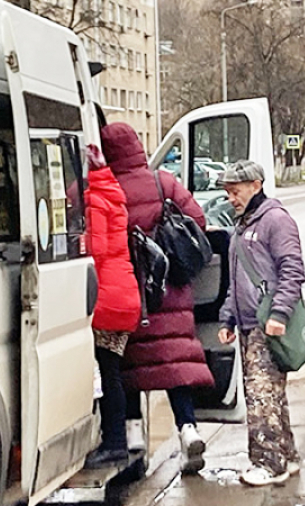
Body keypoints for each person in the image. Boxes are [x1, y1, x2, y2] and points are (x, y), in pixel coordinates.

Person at [100, 122, 214, 474]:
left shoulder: (108, 189)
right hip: (170, 291)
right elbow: (198, 218)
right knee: (173, 365)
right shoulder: (162, 181)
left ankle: (134, 440)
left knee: (130, 366)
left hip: (132, 293)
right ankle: (188, 429)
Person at [217, 160, 305, 487]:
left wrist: (280, 314)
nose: (231, 198)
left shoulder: (275, 221)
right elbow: (236, 282)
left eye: (235, 191)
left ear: (256, 184)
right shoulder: (243, 226)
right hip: (249, 324)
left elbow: (292, 270)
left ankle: (269, 463)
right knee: (271, 395)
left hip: (266, 324)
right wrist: (228, 316)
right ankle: (287, 455)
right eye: (227, 192)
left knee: (260, 396)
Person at [81, 144, 142, 468]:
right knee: (112, 371)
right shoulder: (114, 193)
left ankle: (114, 442)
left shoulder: (94, 199)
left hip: (107, 297)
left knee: (107, 373)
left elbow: (97, 250)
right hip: (124, 293)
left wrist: (79, 240)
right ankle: (116, 439)